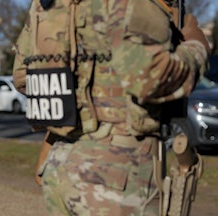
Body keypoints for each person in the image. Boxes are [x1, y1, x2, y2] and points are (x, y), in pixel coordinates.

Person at [13, 0, 210, 215]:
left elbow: (22, 76)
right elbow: (151, 78)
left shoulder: (46, 4)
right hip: (117, 171)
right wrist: (196, 47)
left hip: (61, 164)